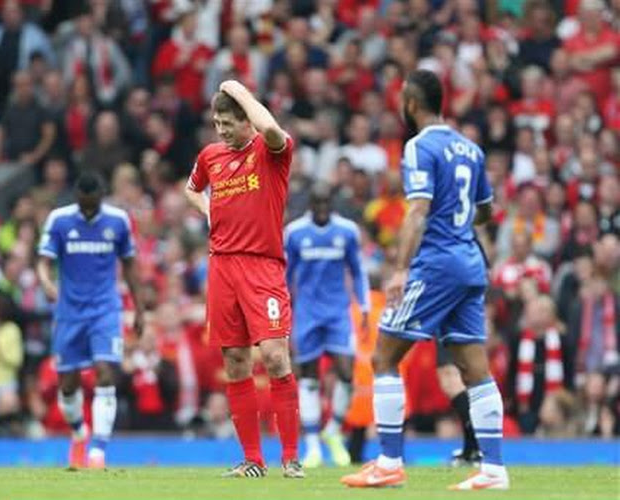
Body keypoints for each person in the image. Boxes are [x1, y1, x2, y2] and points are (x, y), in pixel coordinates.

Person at [341, 70, 509, 490]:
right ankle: (493, 470)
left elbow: (417, 210)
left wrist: (400, 268)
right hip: (471, 263)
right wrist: (459, 218)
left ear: (411, 104)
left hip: (436, 266)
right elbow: (486, 210)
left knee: (383, 356)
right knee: (474, 367)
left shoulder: (418, 147)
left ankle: (388, 462)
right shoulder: (469, 147)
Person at [184, 80, 302, 479]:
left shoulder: (270, 152)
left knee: (274, 356)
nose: (221, 130)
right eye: (216, 123)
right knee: (235, 361)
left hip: (263, 266)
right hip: (222, 267)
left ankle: (290, 457)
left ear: (246, 120)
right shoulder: (210, 156)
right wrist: (208, 212)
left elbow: (270, 129)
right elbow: (191, 188)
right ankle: (253, 460)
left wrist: (239, 90)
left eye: (228, 122)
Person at [37, 171, 144, 469]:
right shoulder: (59, 220)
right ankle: (78, 433)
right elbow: (43, 262)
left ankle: (98, 450)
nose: (87, 210)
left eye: (92, 205)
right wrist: (47, 283)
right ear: (76, 197)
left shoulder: (118, 221)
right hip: (69, 312)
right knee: (68, 384)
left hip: (105, 310)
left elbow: (131, 267)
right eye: (83, 205)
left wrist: (140, 310)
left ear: (101, 196)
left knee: (105, 372)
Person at [284, 183, 370, 468]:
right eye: (317, 203)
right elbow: (285, 275)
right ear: (311, 204)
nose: (321, 208)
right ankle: (312, 446)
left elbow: (357, 270)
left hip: (337, 313)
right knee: (308, 375)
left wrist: (365, 307)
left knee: (347, 372)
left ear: (332, 203)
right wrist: (283, 311)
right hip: (307, 313)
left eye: (326, 203)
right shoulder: (295, 233)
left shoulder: (346, 231)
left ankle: (332, 429)